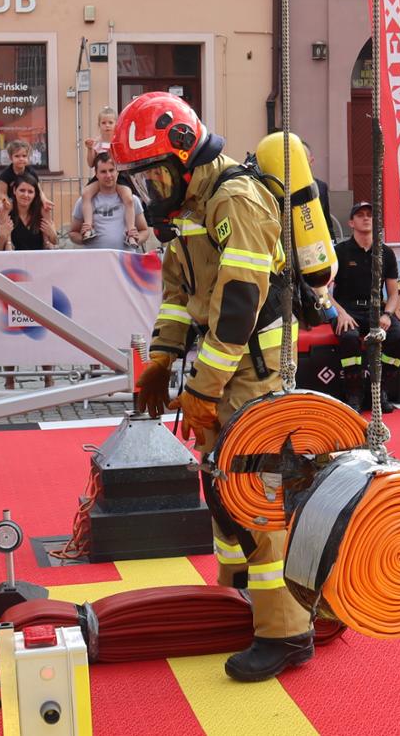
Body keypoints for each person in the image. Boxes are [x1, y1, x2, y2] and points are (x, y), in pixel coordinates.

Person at [117, 92, 315, 682]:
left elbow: (236, 309)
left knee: (257, 496)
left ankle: (287, 633)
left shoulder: (236, 199)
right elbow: (179, 296)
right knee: (221, 491)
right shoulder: (189, 210)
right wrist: (160, 358)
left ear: (183, 152)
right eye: (142, 180)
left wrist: (202, 388)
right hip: (221, 374)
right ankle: (238, 602)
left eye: (154, 174)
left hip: (253, 373)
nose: (151, 190)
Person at [328, 201, 400, 414]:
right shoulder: (339, 251)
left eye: (370, 215)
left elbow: (393, 293)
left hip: (376, 311)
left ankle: (380, 390)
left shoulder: (386, 253)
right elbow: (324, 292)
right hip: (347, 311)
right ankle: (354, 394)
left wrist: (388, 315)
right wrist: (341, 313)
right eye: (360, 215)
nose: (366, 218)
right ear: (351, 222)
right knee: (348, 337)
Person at [70, 152, 145, 250]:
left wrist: (137, 238)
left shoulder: (132, 200)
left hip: (123, 261)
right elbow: (73, 233)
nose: (108, 175)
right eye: (103, 172)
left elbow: (144, 230)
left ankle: (129, 238)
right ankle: (89, 231)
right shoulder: (83, 201)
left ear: (117, 171)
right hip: (94, 261)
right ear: (96, 174)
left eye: (111, 170)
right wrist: (83, 238)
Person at [0, 174, 56, 251]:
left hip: (37, 261)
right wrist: (2, 236)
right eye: (22, 190)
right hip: (12, 262)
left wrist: (53, 235)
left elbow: (53, 243)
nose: (26, 195)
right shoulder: (5, 213)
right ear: (14, 190)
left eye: (30, 192)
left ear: (35, 194)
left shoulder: (41, 213)